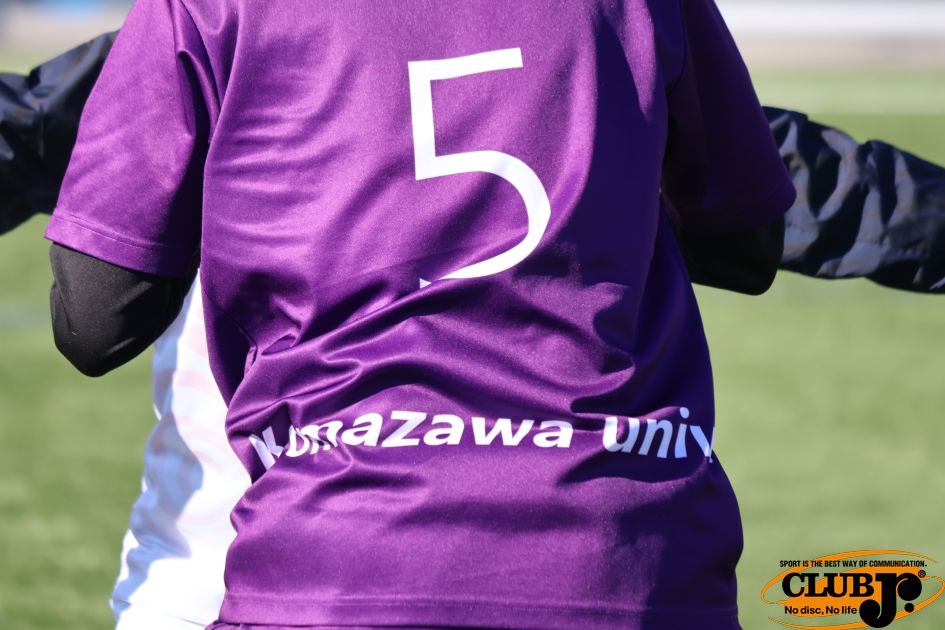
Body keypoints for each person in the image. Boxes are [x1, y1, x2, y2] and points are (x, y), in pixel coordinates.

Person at [1, 13, 940, 630]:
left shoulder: (207, 22)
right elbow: (760, 207)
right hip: (617, 560)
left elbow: (95, 317)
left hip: (312, 559)